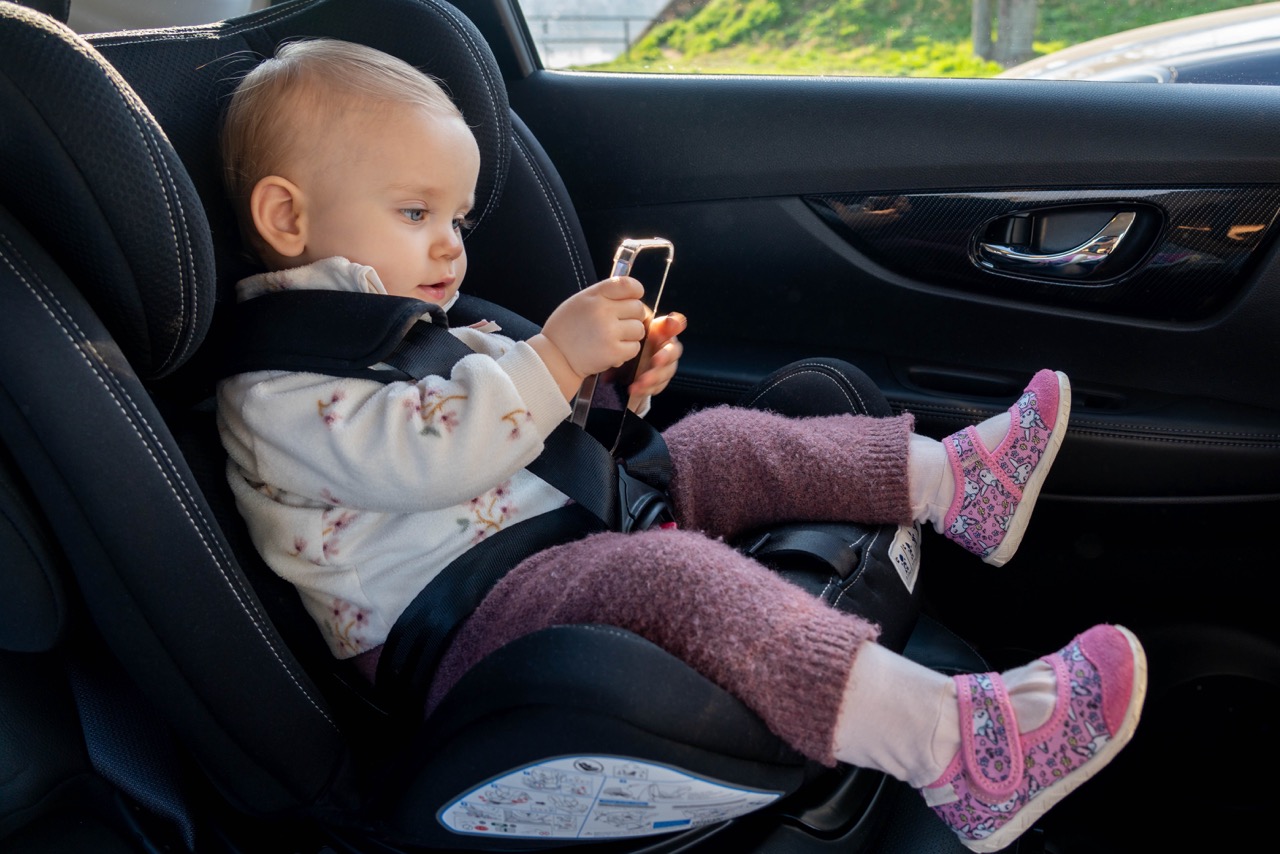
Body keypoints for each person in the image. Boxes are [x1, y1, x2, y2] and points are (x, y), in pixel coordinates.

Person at [216, 38, 1146, 853]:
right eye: (416, 215)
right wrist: (550, 357)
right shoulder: (279, 395)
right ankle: (961, 750)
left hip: (550, 536)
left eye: (458, 220)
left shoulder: (428, 333)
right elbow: (434, 456)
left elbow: (525, 430)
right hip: (466, 622)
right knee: (671, 577)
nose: (452, 249)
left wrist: (605, 386)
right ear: (288, 218)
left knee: (715, 442)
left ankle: (959, 484)